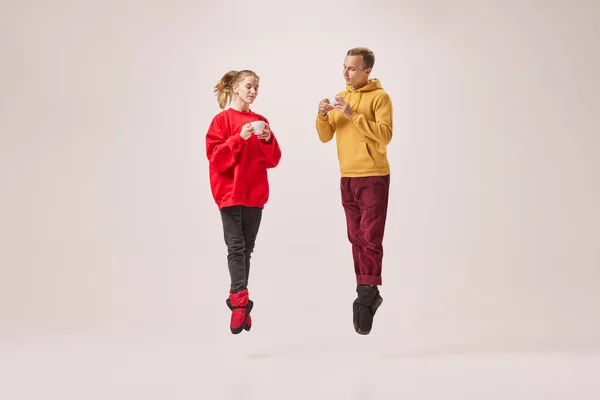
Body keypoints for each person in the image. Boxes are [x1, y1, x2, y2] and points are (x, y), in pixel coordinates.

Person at [315, 47, 393, 335]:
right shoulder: (342, 98)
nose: (346, 73)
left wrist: (353, 115)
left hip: (373, 176)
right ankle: (366, 289)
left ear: (367, 71)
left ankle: (366, 291)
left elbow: (385, 134)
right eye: (344, 67)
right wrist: (323, 115)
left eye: (352, 68)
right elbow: (325, 136)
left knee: (371, 237)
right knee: (355, 236)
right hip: (347, 176)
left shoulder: (380, 98)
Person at [206, 70, 281, 334]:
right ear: (236, 88)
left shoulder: (261, 120)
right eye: (249, 86)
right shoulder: (222, 120)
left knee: (246, 250)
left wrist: (268, 139)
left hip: (255, 195)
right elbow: (216, 158)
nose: (253, 91)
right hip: (229, 195)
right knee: (235, 248)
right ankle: (239, 304)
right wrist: (240, 138)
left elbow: (273, 160)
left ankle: (240, 301)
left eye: (256, 87)